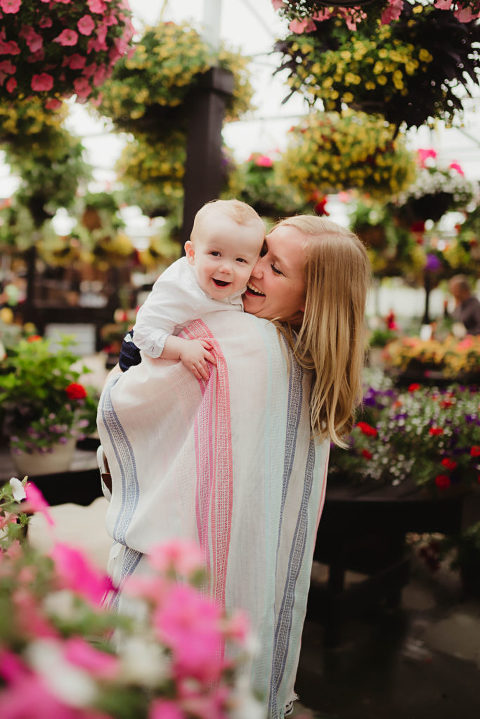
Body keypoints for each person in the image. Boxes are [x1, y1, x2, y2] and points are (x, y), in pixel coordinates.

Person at [97, 215, 370, 719]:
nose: (252, 271)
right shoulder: (312, 365)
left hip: (177, 588)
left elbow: (127, 409)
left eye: (276, 268)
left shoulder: (233, 342)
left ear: (312, 299)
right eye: (261, 253)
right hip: (247, 597)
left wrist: (126, 367)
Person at [128, 199, 265, 380]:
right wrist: (182, 348)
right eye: (215, 254)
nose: (226, 268)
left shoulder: (246, 288)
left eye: (240, 260)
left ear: (254, 266)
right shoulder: (179, 287)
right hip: (143, 353)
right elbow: (144, 333)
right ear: (192, 254)